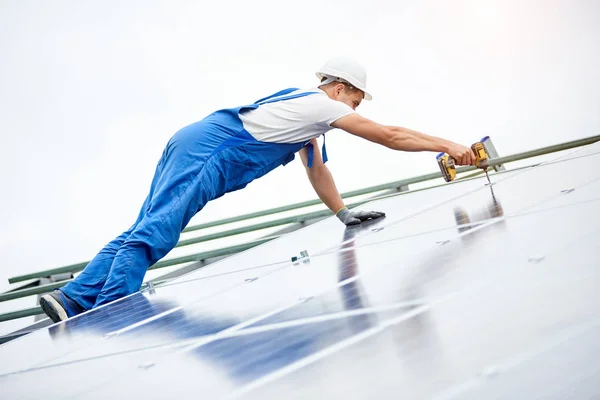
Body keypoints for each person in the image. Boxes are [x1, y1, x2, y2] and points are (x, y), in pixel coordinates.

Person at [39, 57, 476, 323]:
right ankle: (113, 308)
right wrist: (448, 144)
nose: (355, 111)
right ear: (339, 88)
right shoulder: (320, 104)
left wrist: (342, 213)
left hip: (194, 141)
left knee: (146, 224)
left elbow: (317, 170)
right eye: (356, 102)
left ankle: (72, 299)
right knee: (160, 230)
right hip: (209, 151)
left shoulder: (306, 115)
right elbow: (389, 135)